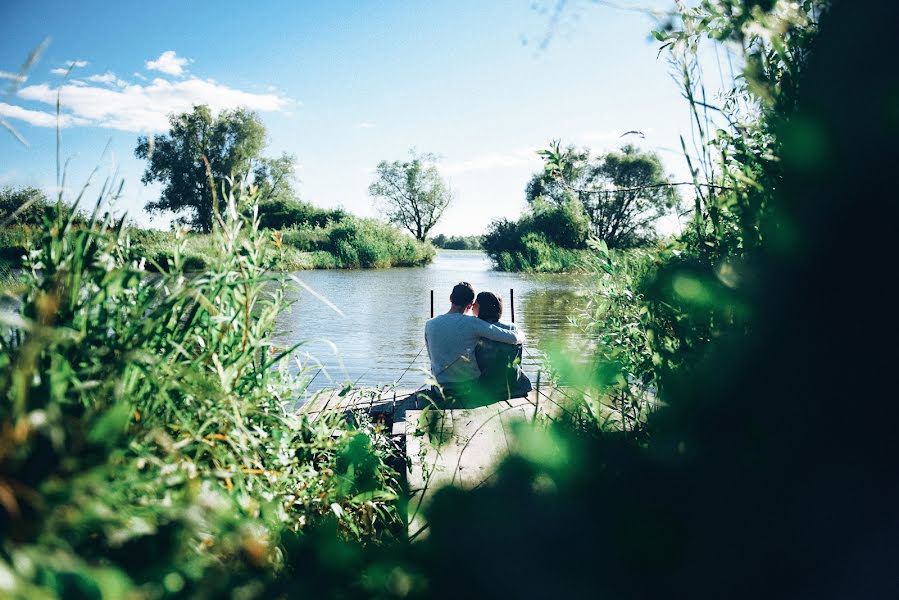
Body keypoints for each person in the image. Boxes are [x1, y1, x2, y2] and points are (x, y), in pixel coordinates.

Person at [424, 282, 525, 403]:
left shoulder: (430, 324)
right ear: (471, 304)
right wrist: (521, 334)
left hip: (439, 390)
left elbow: (432, 358)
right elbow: (512, 338)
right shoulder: (472, 323)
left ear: (450, 297)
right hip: (469, 390)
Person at [472, 291, 532, 400]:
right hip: (517, 386)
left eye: (475, 303)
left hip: (488, 389)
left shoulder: (477, 331)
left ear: (481, 307)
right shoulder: (513, 328)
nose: (472, 306)